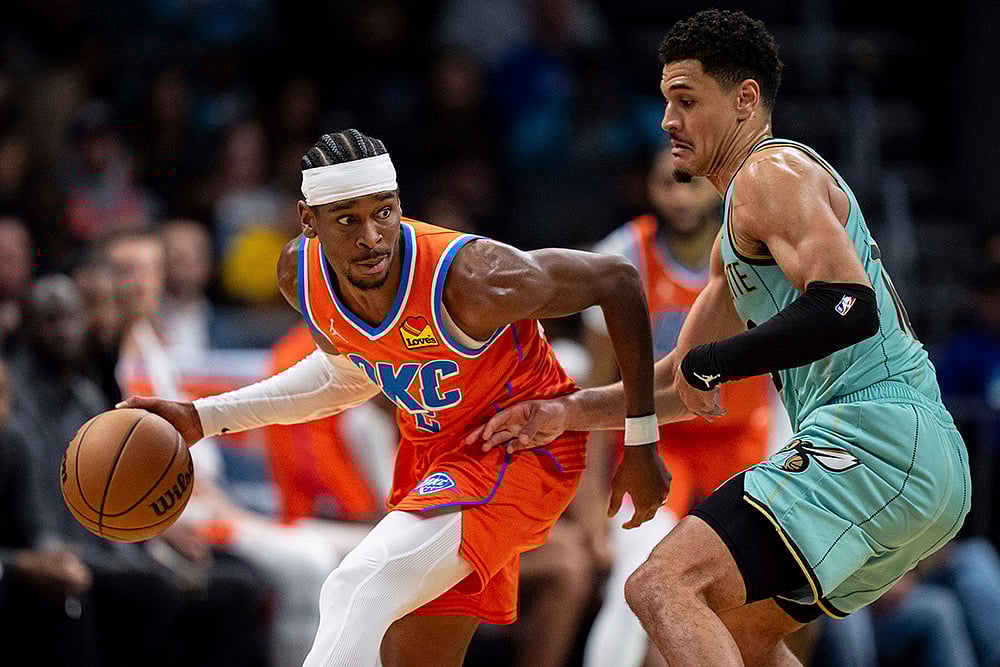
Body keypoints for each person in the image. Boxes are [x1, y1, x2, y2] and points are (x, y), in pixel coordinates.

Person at [469, 10, 970, 666]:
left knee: (660, 584)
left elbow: (849, 306)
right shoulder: (734, 245)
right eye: (665, 102)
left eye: (685, 100)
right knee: (740, 636)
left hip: (874, 435)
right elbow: (682, 381)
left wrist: (720, 360)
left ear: (745, 100)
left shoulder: (772, 172)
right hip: (917, 461)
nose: (668, 121)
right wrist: (565, 411)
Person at [118, 128, 674, 666]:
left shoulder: (473, 277)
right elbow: (346, 377)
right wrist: (201, 417)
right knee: (411, 653)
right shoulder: (301, 275)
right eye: (348, 220)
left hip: (522, 444)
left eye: (384, 212)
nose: (372, 237)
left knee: (354, 587)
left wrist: (641, 440)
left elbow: (618, 280)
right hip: (433, 456)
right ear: (308, 222)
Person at [581, 147, 770, 667]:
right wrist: (592, 507)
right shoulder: (622, 255)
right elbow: (599, 390)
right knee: (637, 580)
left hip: (742, 445)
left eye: (691, 182)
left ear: (717, 184)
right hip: (659, 446)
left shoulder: (759, 251)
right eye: (668, 182)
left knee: (768, 597)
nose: (681, 195)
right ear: (648, 187)